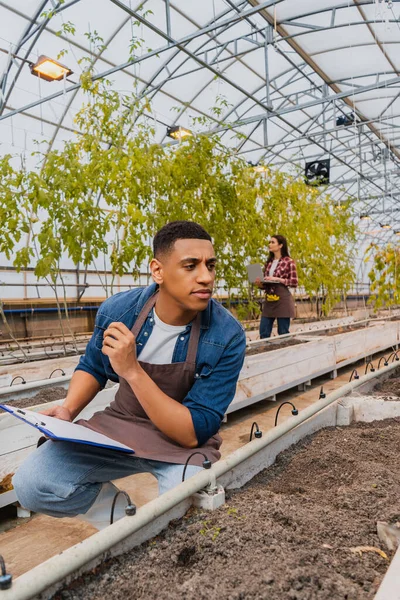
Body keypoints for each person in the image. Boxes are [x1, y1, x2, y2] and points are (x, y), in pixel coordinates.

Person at [13, 221, 246, 529]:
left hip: (183, 443)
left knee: (189, 503)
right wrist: (68, 408)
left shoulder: (226, 335)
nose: (206, 277)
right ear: (158, 271)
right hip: (122, 424)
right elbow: (94, 365)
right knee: (32, 482)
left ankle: (152, 532)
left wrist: (132, 371)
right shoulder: (120, 311)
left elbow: (194, 430)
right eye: (190, 266)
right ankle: (123, 523)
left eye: (210, 266)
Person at [255, 235, 298, 339]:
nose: (269, 244)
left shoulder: (289, 261)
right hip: (269, 299)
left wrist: (278, 279)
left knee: (283, 332)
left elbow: (294, 282)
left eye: (272, 242)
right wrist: (260, 284)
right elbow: (266, 284)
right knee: (264, 332)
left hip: (283, 300)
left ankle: (285, 353)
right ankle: (265, 353)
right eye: (269, 242)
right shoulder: (269, 263)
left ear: (280, 245)